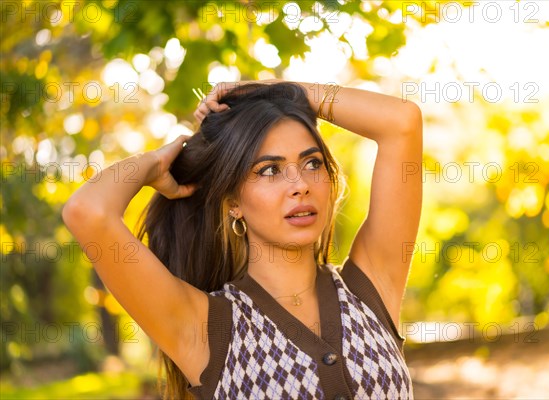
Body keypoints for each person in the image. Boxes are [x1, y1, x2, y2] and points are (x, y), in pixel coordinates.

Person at [62, 80, 423, 399]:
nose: (300, 185)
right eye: (269, 170)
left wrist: (273, 90)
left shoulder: (369, 287)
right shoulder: (207, 329)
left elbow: (401, 122)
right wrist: (155, 163)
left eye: (312, 163)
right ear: (233, 203)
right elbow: (87, 211)